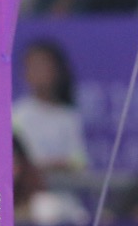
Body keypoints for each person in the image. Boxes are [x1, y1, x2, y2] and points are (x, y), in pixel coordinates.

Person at [12, 38, 86, 171]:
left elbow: (79, 162)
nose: (38, 73)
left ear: (57, 71)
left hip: (61, 189)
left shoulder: (67, 117)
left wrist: (60, 166)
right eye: (33, 67)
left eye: (44, 67)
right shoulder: (15, 114)